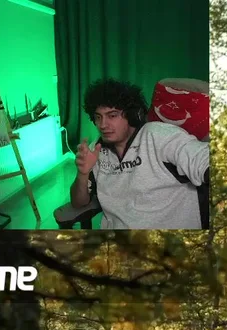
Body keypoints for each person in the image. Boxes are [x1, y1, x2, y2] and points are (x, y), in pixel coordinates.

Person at [70, 79, 210, 229]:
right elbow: (79, 203)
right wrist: (83, 174)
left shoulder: (157, 135)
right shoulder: (96, 149)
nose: (103, 125)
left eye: (112, 115)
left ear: (132, 115)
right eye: (98, 117)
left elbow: (201, 158)